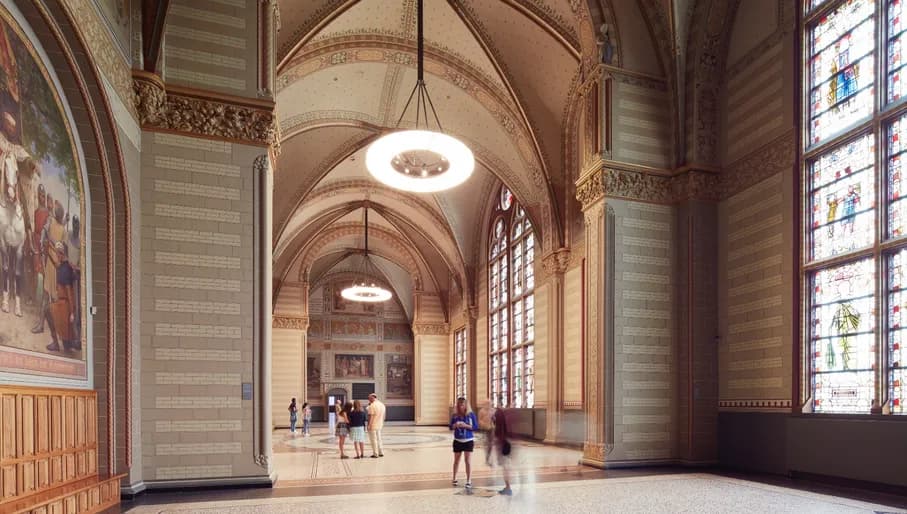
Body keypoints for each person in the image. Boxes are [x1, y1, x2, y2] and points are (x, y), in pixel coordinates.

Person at [42, 242, 76, 353]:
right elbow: (56, 264)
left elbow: (69, 292)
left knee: (47, 310)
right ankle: (62, 344)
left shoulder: (65, 269)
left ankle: (56, 344)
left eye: (58, 254)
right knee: (48, 310)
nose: (57, 256)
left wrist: (72, 312)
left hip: (64, 305)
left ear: (62, 254)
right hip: (62, 302)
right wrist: (48, 251)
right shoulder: (63, 266)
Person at [449, 397, 478, 489]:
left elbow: (475, 427)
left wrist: (466, 426)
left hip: (468, 441)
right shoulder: (455, 415)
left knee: (467, 461)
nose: (460, 407)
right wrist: (454, 425)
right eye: (458, 405)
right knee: (456, 461)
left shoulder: (471, 415)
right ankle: (454, 478)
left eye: (462, 405)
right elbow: (450, 427)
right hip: (457, 440)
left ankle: (469, 480)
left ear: (465, 405)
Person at [493, 403, 513, 496]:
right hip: (507, 442)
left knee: (505, 466)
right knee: (506, 466)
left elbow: (498, 430)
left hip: (503, 443)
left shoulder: (499, 414)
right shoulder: (506, 414)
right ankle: (507, 487)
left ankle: (508, 488)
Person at [367, 393, 386, 458]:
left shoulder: (372, 405)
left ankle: (375, 453)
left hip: (373, 425)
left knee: (373, 440)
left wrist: (369, 425)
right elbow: (384, 416)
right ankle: (381, 452)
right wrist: (382, 422)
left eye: (369, 398)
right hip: (379, 424)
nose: (368, 400)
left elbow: (371, 416)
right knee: (379, 439)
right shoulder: (382, 405)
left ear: (372, 398)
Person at [477, 398, 494, 465]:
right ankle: (487, 458)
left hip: (491, 428)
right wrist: (484, 425)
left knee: (491, 444)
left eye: (489, 403)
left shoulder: (492, 411)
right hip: (485, 429)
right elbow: (479, 420)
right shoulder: (481, 411)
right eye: (487, 403)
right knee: (486, 444)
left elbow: (494, 419)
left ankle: (489, 458)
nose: (488, 405)